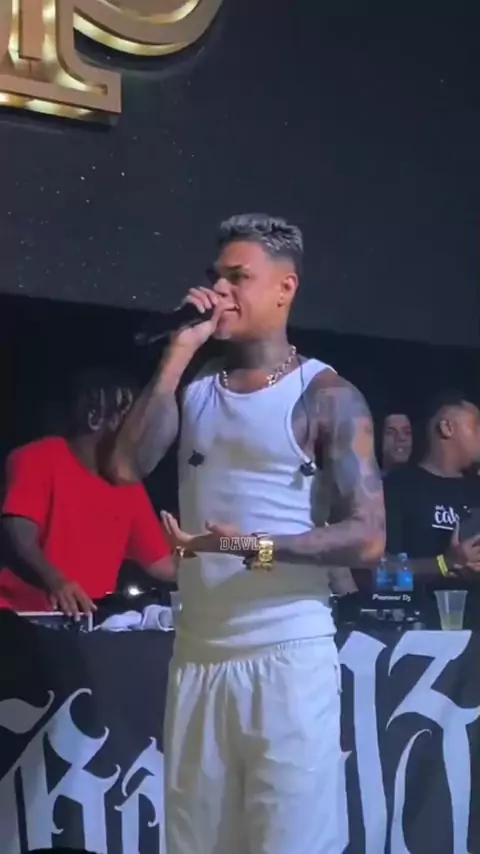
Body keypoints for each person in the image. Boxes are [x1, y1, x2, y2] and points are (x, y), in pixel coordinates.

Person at [110, 213, 385, 854]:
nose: (220, 290)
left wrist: (248, 544)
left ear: (285, 288)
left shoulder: (327, 394)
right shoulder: (197, 390)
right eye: (216, 277)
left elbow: (368, 538)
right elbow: (123, 467)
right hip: (200, 658)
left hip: (287, 655)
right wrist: (178, 353)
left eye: (239, 277)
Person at [0, 368, 173, 616]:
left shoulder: (128, 484)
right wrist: (56, 580)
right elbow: (18, 535)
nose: (139, 433)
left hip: (85, 624)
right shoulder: (37, 458)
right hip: (19, 617)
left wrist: (225, 548)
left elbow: (163, 564)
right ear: (95, 417)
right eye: (132, 419)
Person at [384, 391, 480, 577]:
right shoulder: (397, 487)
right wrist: (445, 563)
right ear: (447, 428)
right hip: (421, 596)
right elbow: (382, 568)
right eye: (476, 426)